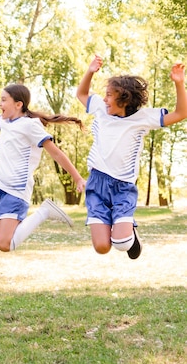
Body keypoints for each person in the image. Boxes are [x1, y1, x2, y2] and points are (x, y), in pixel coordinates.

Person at [77, 55, 186, 259]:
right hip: (96, 183)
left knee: (121, 244)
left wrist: (179, 83)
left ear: (124, 98)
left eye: (109, 95)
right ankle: (118, 226)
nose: (104, 99)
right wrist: (90, 71)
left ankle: (129, 234)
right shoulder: (101, 110)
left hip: (123, 187)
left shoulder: (143, 118)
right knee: (101, 247)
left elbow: (181, 113)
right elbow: (81, 93)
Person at [0, 82, 86, 252]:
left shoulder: (31, 125)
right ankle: (9, 226)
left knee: (4, 244)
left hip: (15, 192)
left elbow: (56, 154)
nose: (0, 104)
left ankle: (44, 212)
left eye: (3, 100)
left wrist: (77, 177)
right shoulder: (6, 122)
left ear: (18, 104)